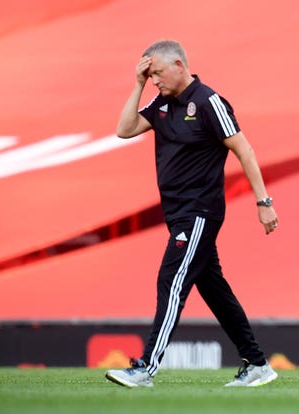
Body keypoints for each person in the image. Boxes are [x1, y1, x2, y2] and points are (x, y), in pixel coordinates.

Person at [105, 40, 279, 388]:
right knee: (214, 290)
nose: (155, 80)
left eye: (157, 73)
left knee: (171, 280)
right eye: (150, 75)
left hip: (199, 211)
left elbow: (244, 149)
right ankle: (258, 364)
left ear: (180, 65)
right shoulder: (162, 103)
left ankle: (145, 368)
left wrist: (264, 202)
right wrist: (137, 84)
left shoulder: (209, 102)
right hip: (177, 213)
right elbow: (124, 130)